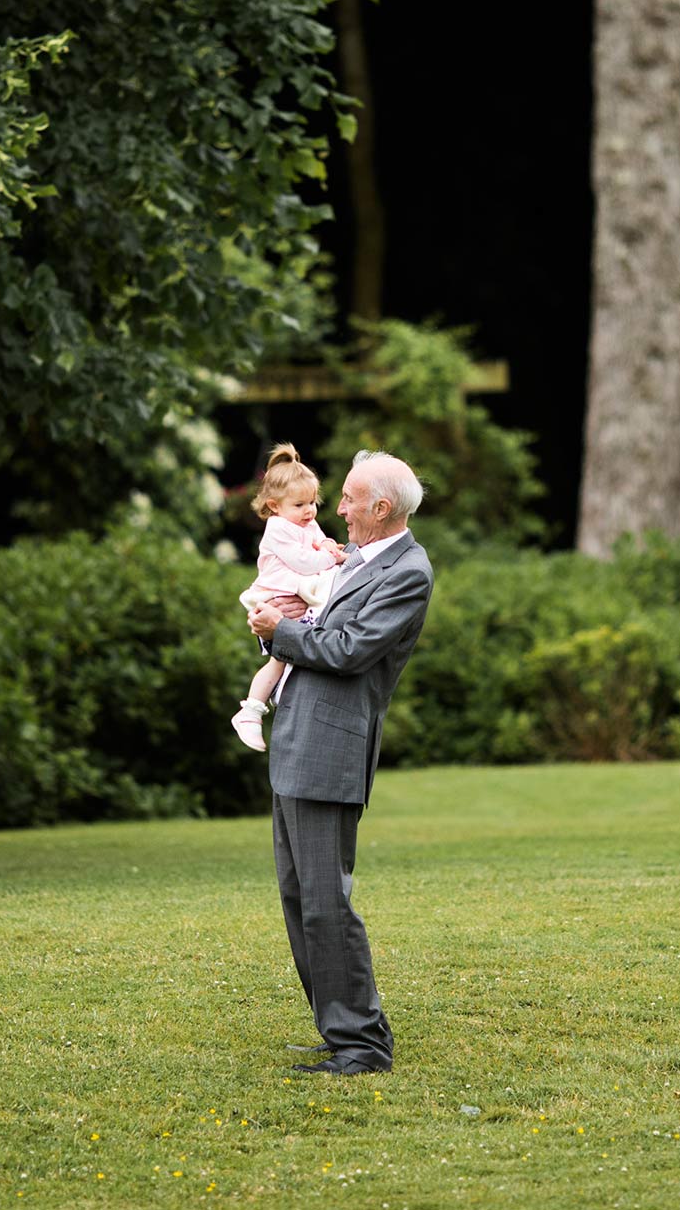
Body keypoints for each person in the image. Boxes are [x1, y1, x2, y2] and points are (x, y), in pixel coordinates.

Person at [247, 449, 433, 1076]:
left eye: (350, 499)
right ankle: (342, 1030)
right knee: (301, 899)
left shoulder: (407, 571)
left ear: (382, 508)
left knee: (327, 902)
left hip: (331, 750)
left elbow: (350, 649)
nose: (338, 509)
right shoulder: (356, 558)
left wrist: (279, 631)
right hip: (300, 742)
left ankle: (362, 1045)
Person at [229, 444, 347, 751]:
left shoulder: (306, 523)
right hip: (276, 601)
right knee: (279, 663)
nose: (309, 510)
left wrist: (331, 547)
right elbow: (303, 562)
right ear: (275, 505)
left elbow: (321, 544)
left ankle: (280, 711)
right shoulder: (278, 528)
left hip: (300, 600)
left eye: (312, 502)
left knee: (293, 662)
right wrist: (331, 559)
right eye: (299, 504)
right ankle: (250, 711)